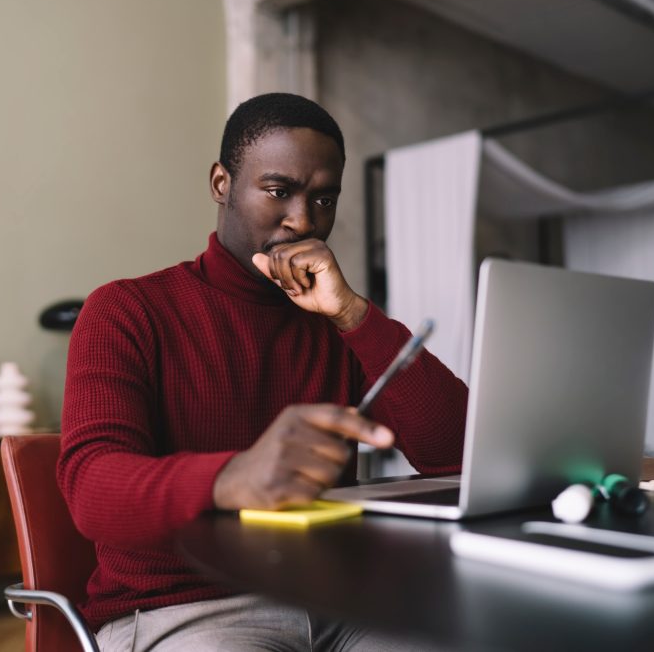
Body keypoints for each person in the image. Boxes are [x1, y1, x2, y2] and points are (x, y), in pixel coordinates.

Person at [58, 93, 468, 651]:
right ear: (221, 183)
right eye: (278, 191)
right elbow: (91, 487)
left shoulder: (334, 323)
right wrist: (234, 476)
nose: (303, 220)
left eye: (324, 199)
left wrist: (353, 315)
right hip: (185, 609)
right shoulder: (127, 310)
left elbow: (458, 453)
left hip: (339, 599)